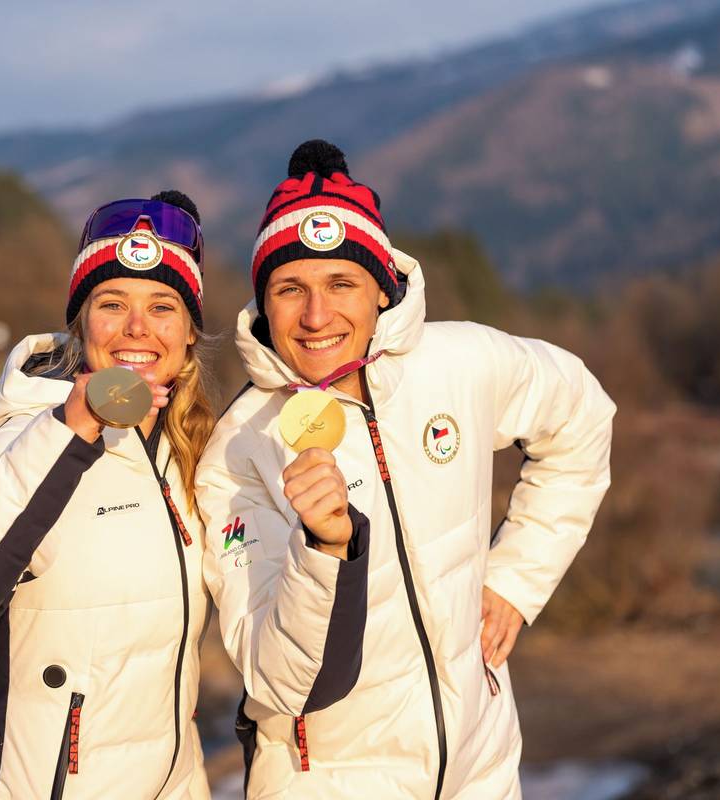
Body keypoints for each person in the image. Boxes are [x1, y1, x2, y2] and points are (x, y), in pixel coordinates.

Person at [196, 141, 616, 799]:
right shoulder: (239, 454)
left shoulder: (461, 363)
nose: (316, 316)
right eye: (290, 289)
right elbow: (283, 681)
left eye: (341, 284)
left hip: (480, 770)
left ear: (381, 288)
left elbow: (581, 414)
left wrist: (517, 578)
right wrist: (326, 550)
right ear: (264, 303)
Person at [0, 191, 216, 799]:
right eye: (112, 304)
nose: (137, 327)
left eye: (161, 306)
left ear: (187, 334)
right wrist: (72, 430)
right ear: (82, 324)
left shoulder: (188, 447)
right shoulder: (31, 432)